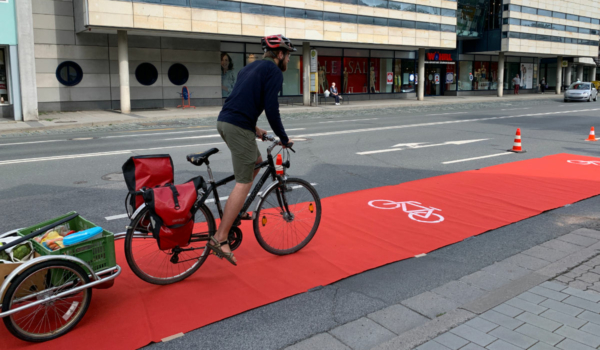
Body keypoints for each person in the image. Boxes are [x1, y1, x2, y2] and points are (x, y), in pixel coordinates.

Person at [211, 35, 295, 265]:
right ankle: (220, 237)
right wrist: (284, 138)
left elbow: (240, 99)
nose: (288, 59)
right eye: (288, 55)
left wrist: (255, 128)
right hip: (237, 126)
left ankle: (238, 209)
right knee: (244, 180)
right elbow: (271, 109)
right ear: (279, 54)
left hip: (226, 120)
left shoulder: (249, 69)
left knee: (256, 161)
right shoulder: (274, 72)